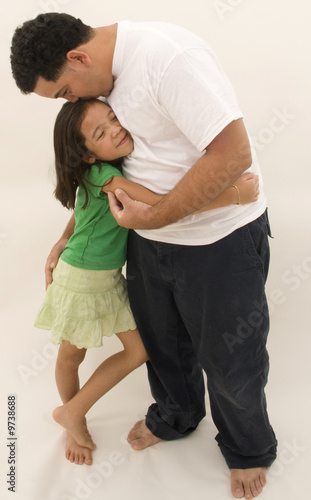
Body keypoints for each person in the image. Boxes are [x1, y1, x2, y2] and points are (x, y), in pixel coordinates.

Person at [11, 13, 277, 499]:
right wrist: (67, 236)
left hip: (217, 239)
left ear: (78, 58)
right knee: (164, 345)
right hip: (146, 237)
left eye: (63, 93)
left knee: (230, 356)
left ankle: (248, 448)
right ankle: (176, 417)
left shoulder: (169, 59)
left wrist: (159, 217)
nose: (72, 103)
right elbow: (96, 182)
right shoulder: (102, 80)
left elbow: (234, 156)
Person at [37, 97, 258, 466]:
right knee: (70, 355)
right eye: (100, 132)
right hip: (83, 280)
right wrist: (234, 195)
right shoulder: (106, 176)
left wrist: (62, 239)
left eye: (112, 118)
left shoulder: (102, 171)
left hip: (103, 278)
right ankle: (72, 415)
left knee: (137, 351)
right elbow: (162, 205)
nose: (116, 129)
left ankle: (72, 411)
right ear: (87, 155)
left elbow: (82, 213)